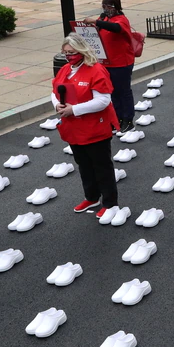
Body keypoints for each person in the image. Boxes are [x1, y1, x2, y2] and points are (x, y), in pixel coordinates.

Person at [52, 33, 120, 218]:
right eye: (65, 52)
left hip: (94, 128)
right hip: (74, 128)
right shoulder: (66, 69)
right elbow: (55, 91)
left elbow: (103, 100)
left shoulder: (96, 70)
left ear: (82, 50)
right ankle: (92, 196)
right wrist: (57, 104)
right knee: (83, 164)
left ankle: (110, 202)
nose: (68, 56)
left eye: (72, 52)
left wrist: (74, 110)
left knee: (101, 165)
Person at [83, 0, 135, 134]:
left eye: (109, 6)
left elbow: (116, 28)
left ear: (116, 7)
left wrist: (96, 22)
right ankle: (117, 118)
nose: (106, 9)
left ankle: (128, 120)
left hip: (122, 62)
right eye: (104, 6)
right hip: (107, 63)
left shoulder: (121, 20)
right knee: (112, 92)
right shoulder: (103, 18)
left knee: (123, 91)